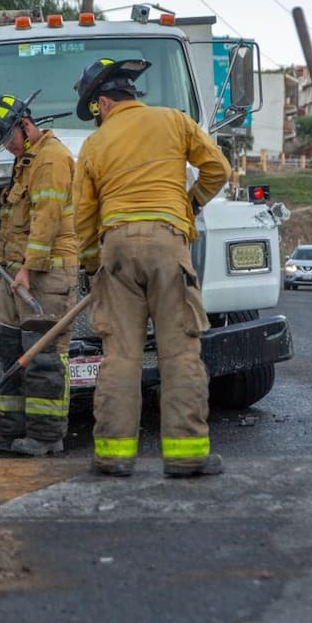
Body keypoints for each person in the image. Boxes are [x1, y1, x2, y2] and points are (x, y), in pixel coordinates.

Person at [70, 58, 232, 478]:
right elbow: (219, 169)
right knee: (178, 351)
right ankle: (186, 456)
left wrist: (93, 266)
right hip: (167, 242)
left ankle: (113, 456)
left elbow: (83, 218)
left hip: (116, 246)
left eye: (95, 110)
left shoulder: (94, 145)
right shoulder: (174, 121)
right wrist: (189, 203)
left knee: (120, 355)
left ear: (104, 103)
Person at [0, 91, 78, 456]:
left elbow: (46, 220)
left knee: (42, 356)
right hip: (15, 274)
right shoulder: (27, 160)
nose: (7, 148)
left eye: (9, 138)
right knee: (0, 350)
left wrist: (29, 270)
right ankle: (7, 430)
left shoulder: (51, 159)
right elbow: (16, 216)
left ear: (25, 123)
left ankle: (46, 437)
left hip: (44, 275)